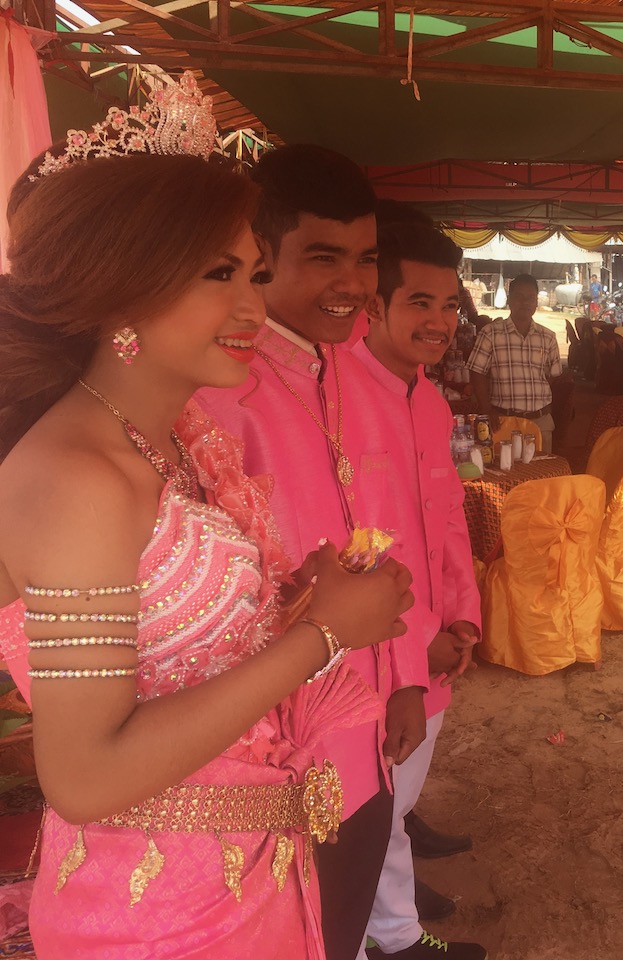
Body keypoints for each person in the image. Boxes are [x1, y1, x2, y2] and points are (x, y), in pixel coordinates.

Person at [0, 79, 411, 958]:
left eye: (254, 274)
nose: (254, 309)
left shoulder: (164, 439)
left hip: (241, 876)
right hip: (155, 920)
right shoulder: (80, 474)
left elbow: (177, 643)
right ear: (118, 288)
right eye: (218, 275)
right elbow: (83, 776)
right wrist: (324, 638)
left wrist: (291, 606)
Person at [198, 144, 431, 960]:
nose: (354, 285)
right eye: (323, 258)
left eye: (366, 260)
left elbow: (386, 538)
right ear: (261, 263)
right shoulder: (220, 392)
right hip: (276, 756)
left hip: (369, 729)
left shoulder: (359, 375)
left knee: (346, 919)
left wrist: (407, 677)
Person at [353, 203, 486, 960]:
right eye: (418, 302)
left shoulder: (428, 398)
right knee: (370, 805)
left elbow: (451, 526)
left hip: (437, 643)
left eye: (448, 303)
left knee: (393, 804)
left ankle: (393, 904)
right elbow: (350, 556)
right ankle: (398, 939)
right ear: (376, 303)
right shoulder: (338, 402)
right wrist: (414, 651)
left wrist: (462, 620)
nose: (439, 320)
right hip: (383, 660)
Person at [468, 273, 562, 452]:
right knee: (504, 474)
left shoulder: (548, 337)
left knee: (541, 475)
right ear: (510, 299)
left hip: (540, 421)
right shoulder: (490, 333)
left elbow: (553, 377)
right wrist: (487, 408)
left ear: (536, 302)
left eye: (530, 297)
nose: (525, 302)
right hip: (503, 421)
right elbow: (476, 372)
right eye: (519, 296)